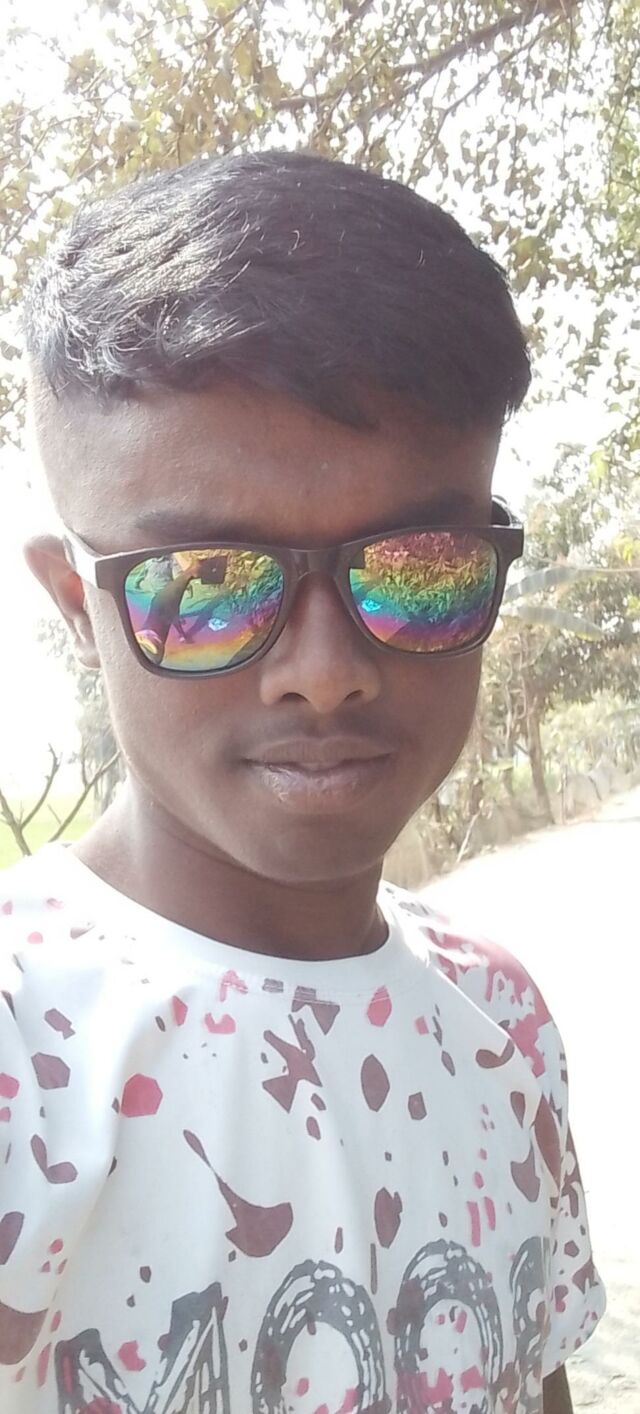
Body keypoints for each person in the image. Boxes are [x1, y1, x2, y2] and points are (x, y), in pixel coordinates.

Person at [0, 151, 604, 1413]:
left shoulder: (500, 1014)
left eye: (420, 565)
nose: (324, 674)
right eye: (206, 584)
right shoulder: (30, 1051)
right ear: (75, 603)